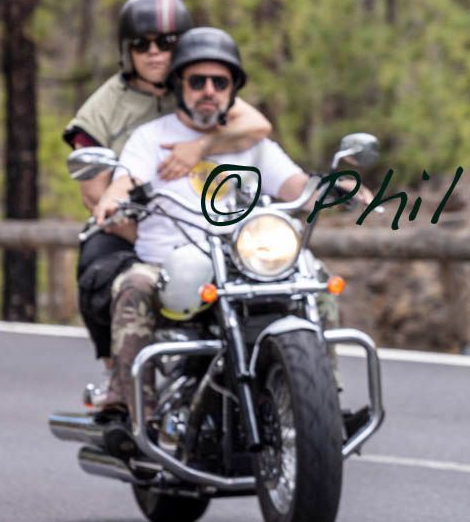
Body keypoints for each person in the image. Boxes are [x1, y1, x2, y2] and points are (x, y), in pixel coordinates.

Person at [89, 28, 313, 416]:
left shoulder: (252, 144)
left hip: (243, 265)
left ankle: (320, 402)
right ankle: (131, 407)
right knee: (133, 284)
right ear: (179, 85)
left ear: (232, 90)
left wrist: (338, 187)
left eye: (219, 82)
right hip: (166, 265)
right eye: (197, 81)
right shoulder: (150, 138)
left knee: (314, 277)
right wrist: (114, 196)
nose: (208, 90)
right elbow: (128, 178)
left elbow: (297, 186)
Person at [64, 0, 273, 404]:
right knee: (105, 277)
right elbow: (96, 195)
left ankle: (303, 392)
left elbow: (256, 126)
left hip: (207, 222)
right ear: (127, 50)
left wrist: (199, 147)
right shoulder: (102, 110)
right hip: (132, 226)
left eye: (168, 42)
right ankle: (122, 385)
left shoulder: (201, 86)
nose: (156, 52)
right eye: (143, 44)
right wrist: (148, 234)